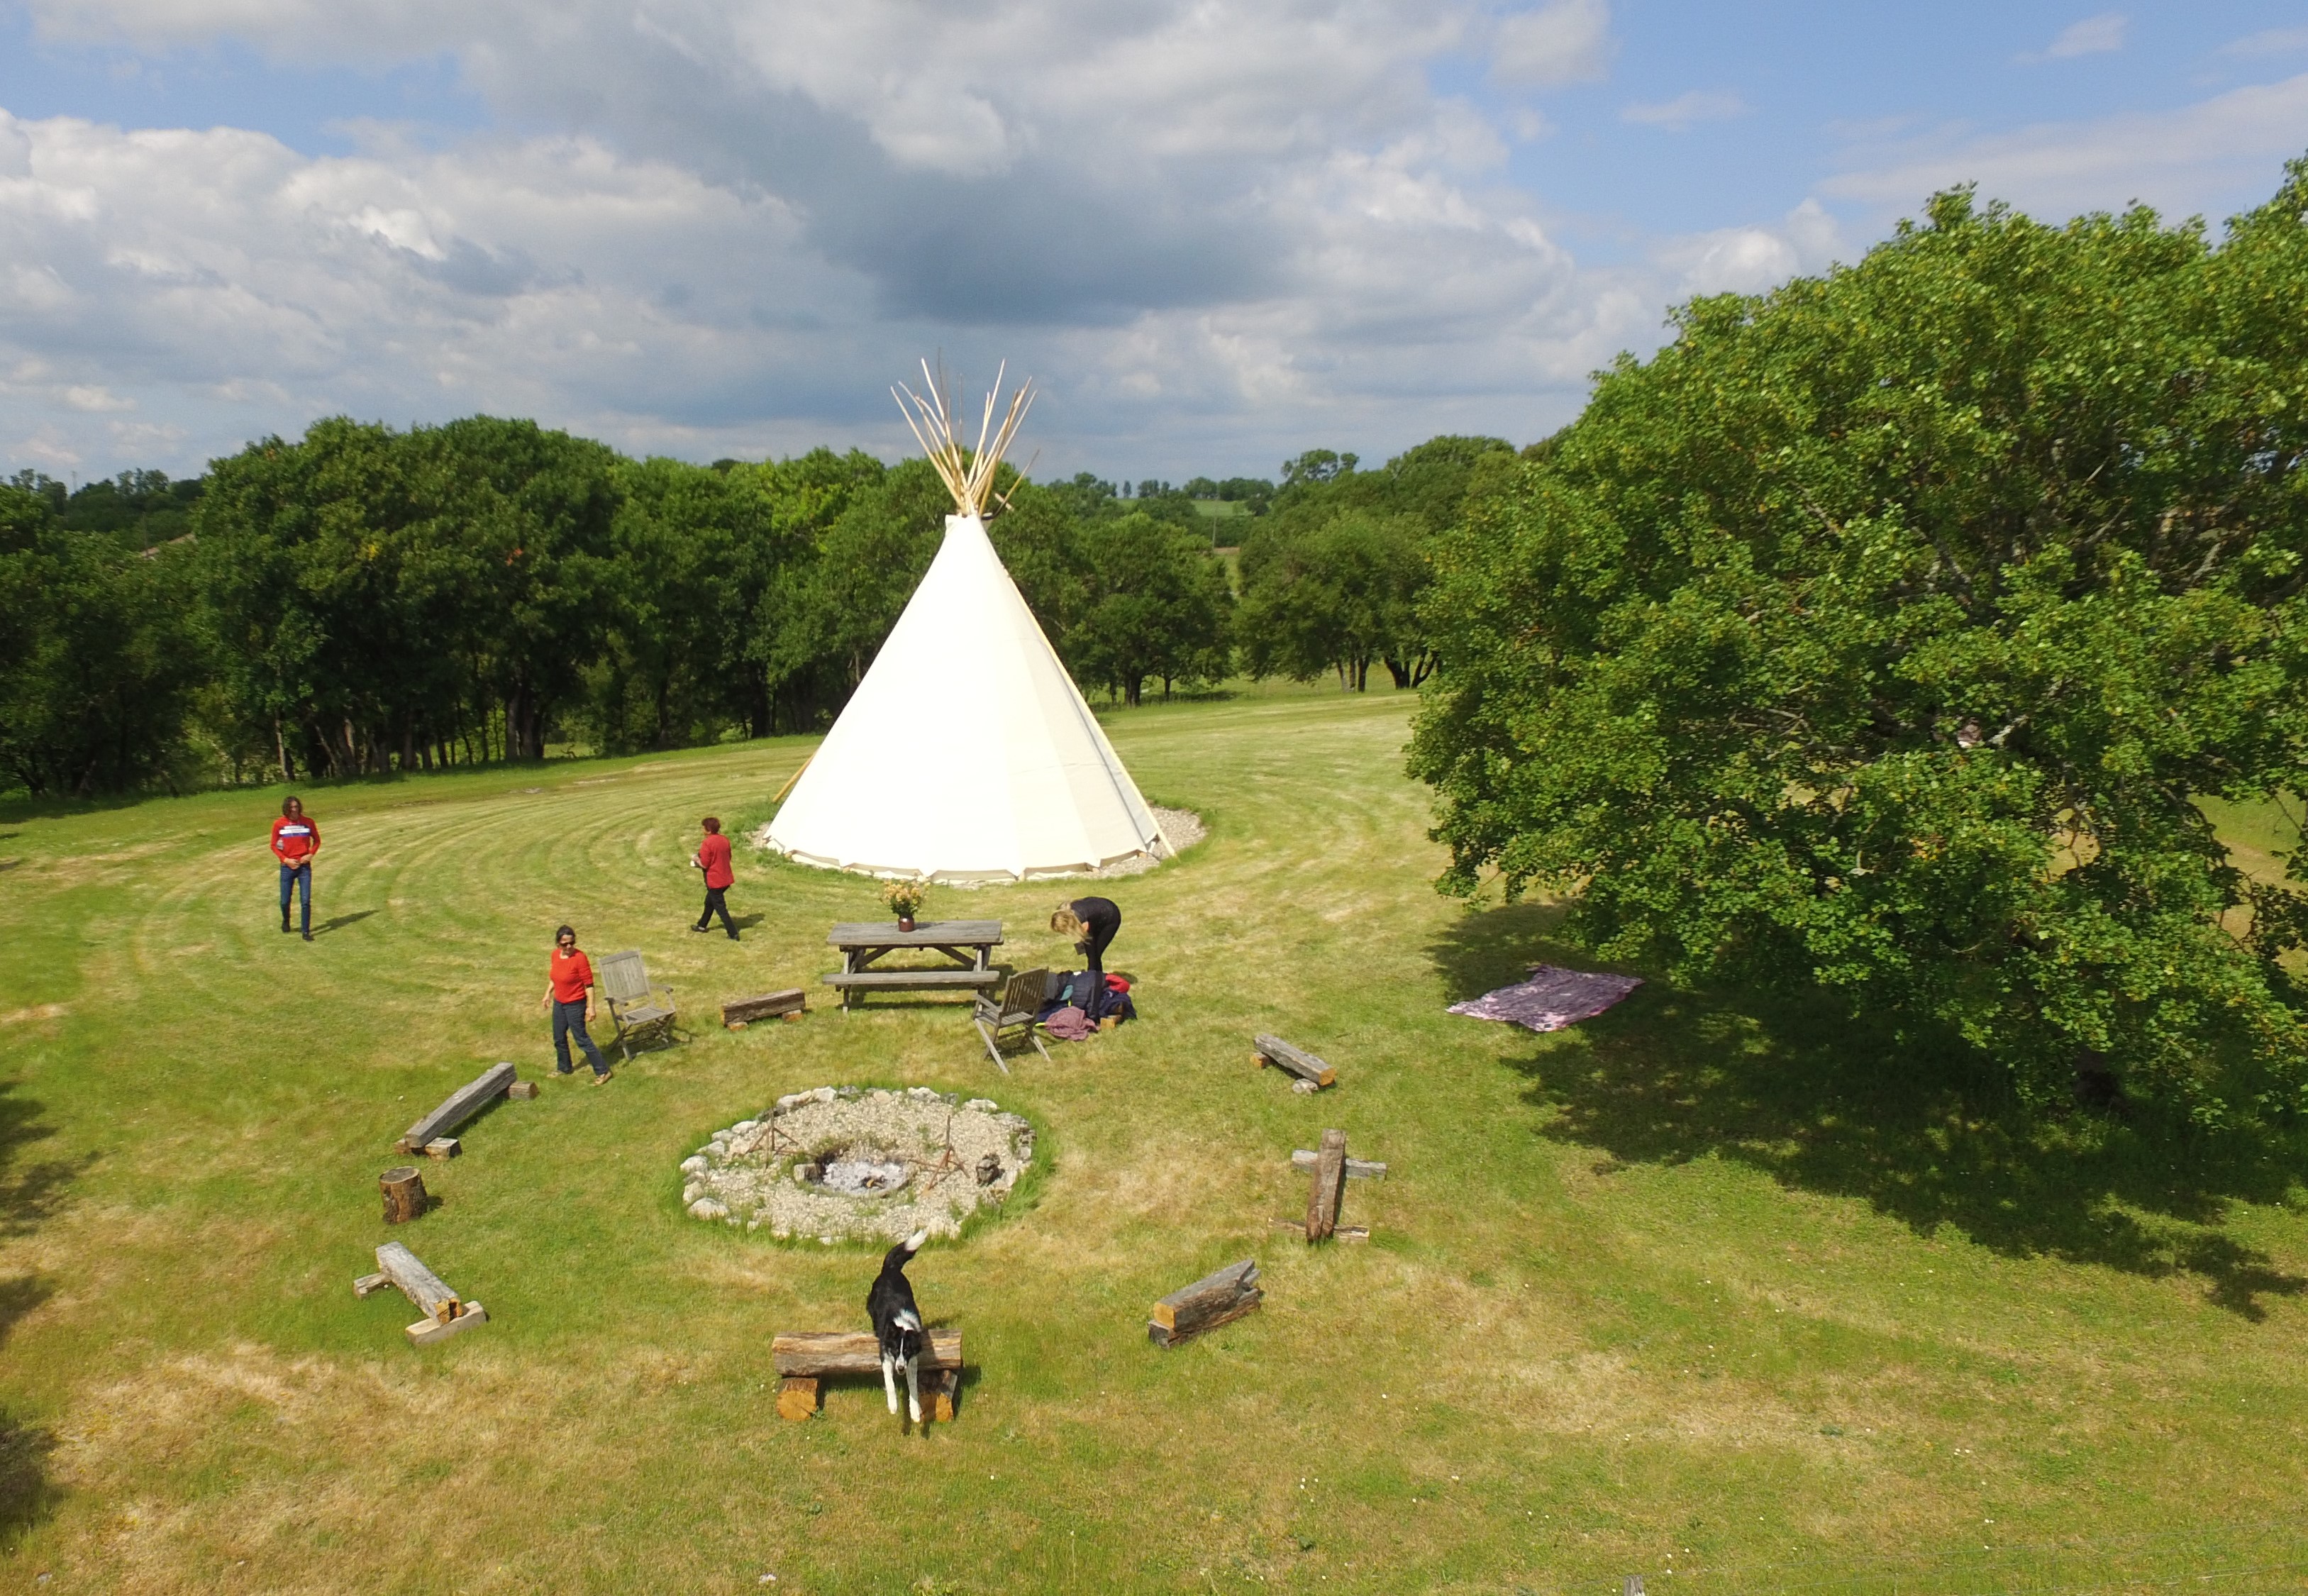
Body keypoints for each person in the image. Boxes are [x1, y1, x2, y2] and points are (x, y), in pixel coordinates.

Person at [541, 924, 611, 1082]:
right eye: (565, 944)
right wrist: (547, 994)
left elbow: (589, 984)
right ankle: (564, 1067)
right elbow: (555, 977)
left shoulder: (580, 958)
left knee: (581, 1038)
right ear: (558, 944)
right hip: (560, 1002)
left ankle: (603, 1071)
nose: (569, 946)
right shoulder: (555, 955)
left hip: (575, 1004)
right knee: (559, 1037)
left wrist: (591, 1007)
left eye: (572, 942)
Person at [1051, 896, 1121, 1002]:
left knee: (1095, 954)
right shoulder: (1065, 911)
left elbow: (1086, 938)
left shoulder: (1082, 921)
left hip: (1111, 917)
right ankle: (1096, 980)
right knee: (1091, 953)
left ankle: (1094, 984)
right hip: (1099, 912)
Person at [269, 795, 321, 940]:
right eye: (291, 807)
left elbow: (317, 841)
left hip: (304, 866)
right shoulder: (279, 824)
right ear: (286, 809)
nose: (294, 810)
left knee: (305, 900)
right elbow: (273, 845)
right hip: (287, 866)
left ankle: (306, 931)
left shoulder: (308, 822)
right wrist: (285, 859)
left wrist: (310, 855)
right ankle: (286, 920)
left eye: (296, 807)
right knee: (285, 900)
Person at [690, 816, 738, 940]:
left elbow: (704, 864)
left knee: (721, 908)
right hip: (726, 879)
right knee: (709, 902)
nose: (702, 829)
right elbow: (729, 857)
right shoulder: (724, 840)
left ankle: (733, 934)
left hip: (715, 881)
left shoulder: (707, 843)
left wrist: (696, 859)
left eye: (703, 827)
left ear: (708, 830)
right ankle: (702, 925)